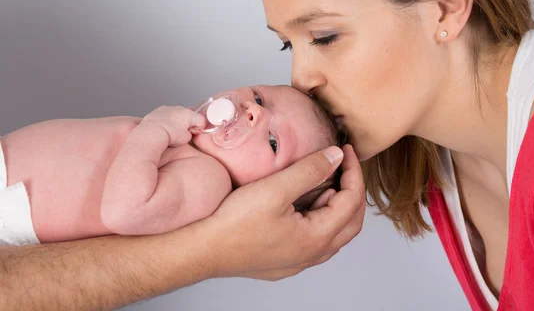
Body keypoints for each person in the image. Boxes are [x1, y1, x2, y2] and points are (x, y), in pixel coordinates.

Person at [255, 0, 534, 310]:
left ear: (446, 7)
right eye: (287, 44)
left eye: (324, 37)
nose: (300, 80)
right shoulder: (436, 149)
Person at [0, 85, 345, 245]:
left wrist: (154, 130)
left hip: (10, 209)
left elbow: (125, 211)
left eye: (273, 142)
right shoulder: (189, 147)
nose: (255, 110)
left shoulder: (208, 180)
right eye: (259, 98)